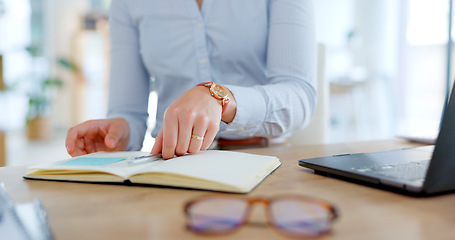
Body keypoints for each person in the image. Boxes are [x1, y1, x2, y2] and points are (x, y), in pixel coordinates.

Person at [65, 0, 317, 159]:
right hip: (172, 164)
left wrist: (219, 97)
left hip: (262, 158)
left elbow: (299, 96)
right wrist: (120, 132)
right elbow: (129, 112)